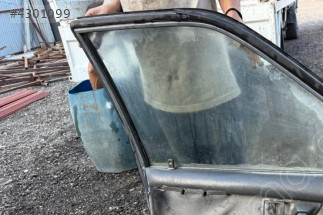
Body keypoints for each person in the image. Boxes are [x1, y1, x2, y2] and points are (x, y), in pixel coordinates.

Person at [85, 0, 248, 165]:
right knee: (186, 170)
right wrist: (112, 6)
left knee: (232, 169)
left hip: (213, 85)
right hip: (161, 93)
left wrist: (233, 14)